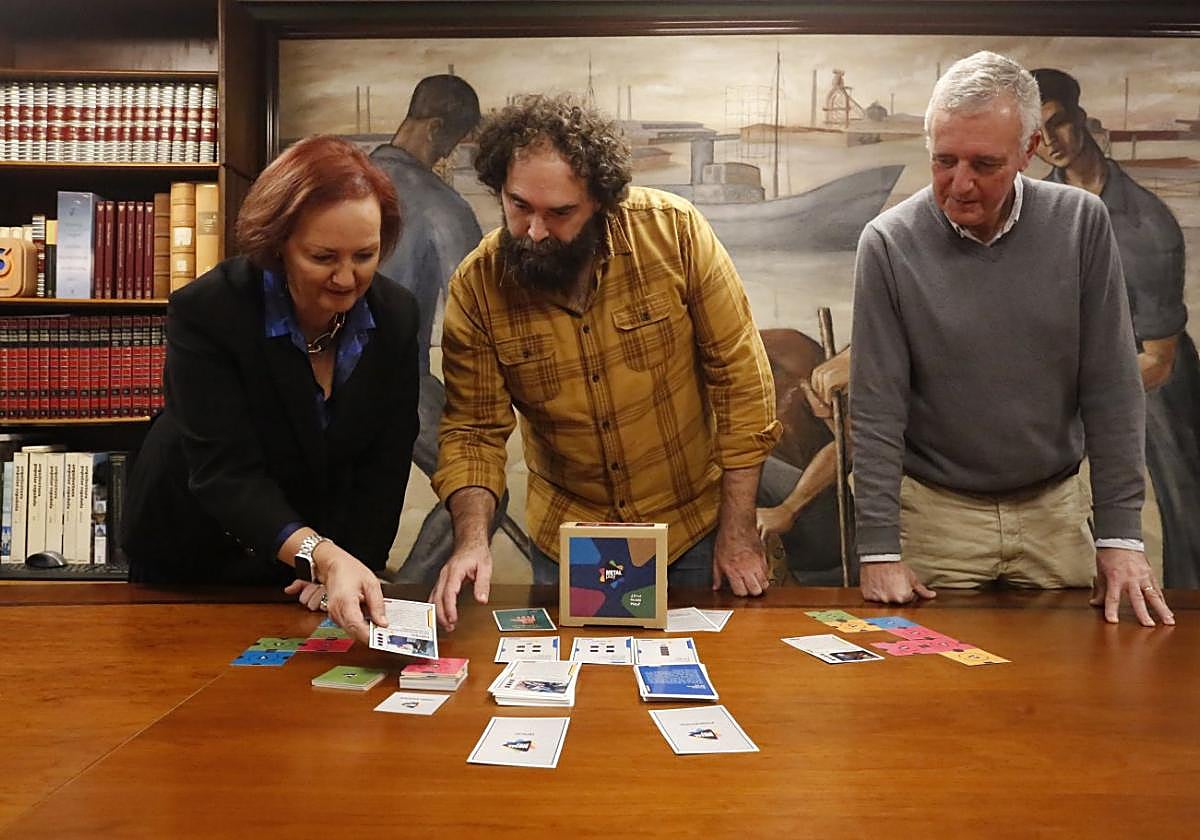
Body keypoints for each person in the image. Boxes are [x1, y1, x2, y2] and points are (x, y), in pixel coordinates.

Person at [429, 94, 781, 630]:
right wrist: (472, 541)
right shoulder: (478, 288)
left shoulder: (674, 233)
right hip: (572, 542)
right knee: (584, 694)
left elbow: (741, 382)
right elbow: (473, 431)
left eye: (561, 212)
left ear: (601, 200)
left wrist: (737, 530)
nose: (536, 232)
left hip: (694, 529)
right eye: (519, 205)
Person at [849, 51, 1174, 626]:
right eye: (943, 160)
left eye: (985, 163)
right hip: (935, 518)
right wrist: (879, 551)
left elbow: (1113, 387)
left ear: (1028, 151)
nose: (960, 184)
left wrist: (1121, 537)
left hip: (1055, 512)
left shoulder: (1081, 223)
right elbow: (877, 408)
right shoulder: (887, 243)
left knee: (1073, 691)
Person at [122, 135, 421, 642]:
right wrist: (323, 556)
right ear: (279, 242)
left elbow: (385, 464)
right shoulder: (209, 311)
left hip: (309, 564)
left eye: (365, 255)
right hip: (196, 553)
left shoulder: (396, 316)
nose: (347, 278)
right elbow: (225, 473)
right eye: (323, 256)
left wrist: (353, 561)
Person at [1032, 67, 1200, 590]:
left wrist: (1083, 401)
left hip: (1157, 379)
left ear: (1082, 120)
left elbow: (1159, 357)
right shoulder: (1037, 211)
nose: (1052, 143)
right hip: (1081, 372)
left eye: (1058, 124)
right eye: (1037, 136)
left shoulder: (1146, 223)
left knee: (1185, 510)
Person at [369, 75, 505, 583]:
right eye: (454, 142)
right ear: (437, 128)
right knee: (486, 491)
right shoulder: (442, 206)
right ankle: (408, 596)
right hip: (399, 382)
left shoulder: (344, 184)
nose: (452, 154)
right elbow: (478, 314)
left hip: (314, 382)